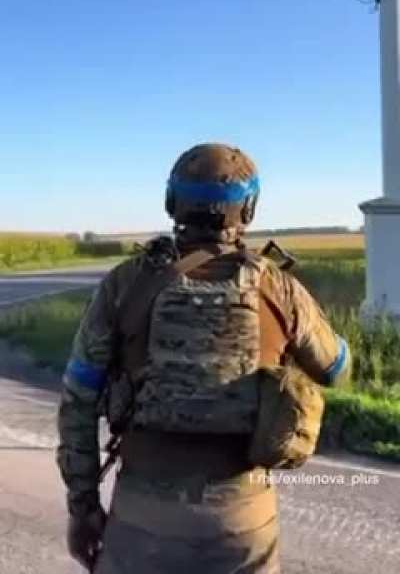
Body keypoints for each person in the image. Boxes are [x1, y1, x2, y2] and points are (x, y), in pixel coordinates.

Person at [57, 143, 351, 574]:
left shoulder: (124, 285)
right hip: (242, 522)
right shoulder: (280, 289)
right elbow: (336, 369)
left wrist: (82, 509)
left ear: (172, 201)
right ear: (247, 209)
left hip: (142, 518)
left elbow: (78, 400)